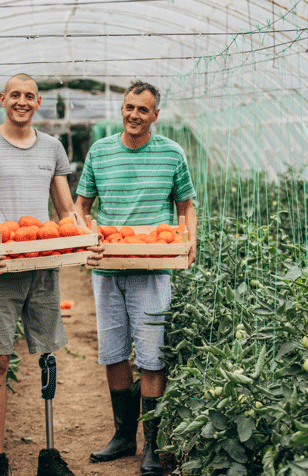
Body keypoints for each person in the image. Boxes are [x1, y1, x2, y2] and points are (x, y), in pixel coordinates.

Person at [0, 73, 99, 476]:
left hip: (42, 266)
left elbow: (67, 210)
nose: (21, 101)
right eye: (14, 95)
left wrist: (87, 236)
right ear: (3, 99)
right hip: (1, 267)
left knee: (47, 354)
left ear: (38, 104)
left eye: (29, 96)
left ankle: (48, 455)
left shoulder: (52, 148)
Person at [73, 80, 197, 476]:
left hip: (153, 269)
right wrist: (83, 238)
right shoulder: (101, 152)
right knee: (112, 352)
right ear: (121, 109)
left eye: (143, 110)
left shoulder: (172, 154)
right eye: (129, 107)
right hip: (107, 269)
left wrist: (190, 241)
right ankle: (123, 435)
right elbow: (81, 207)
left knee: (151, 355)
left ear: (155, 115)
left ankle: (152, 445)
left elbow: (185, 206)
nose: (134, 115)